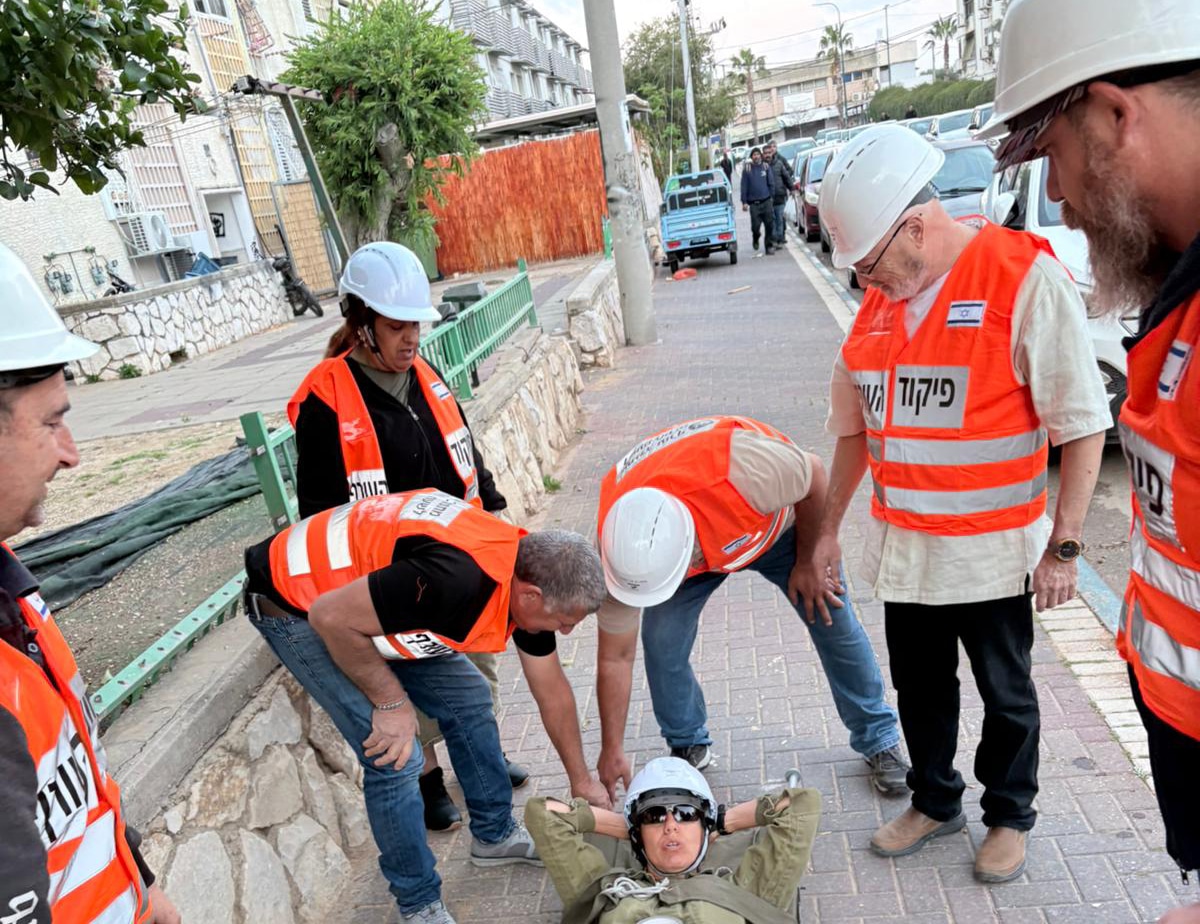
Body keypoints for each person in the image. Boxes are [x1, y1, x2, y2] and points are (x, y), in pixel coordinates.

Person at [812, 124, 1112, 883]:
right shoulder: (880, 307)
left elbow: (1082, 425)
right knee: (919, 688)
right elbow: (856, 433)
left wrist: (1065, 546)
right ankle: (936, 799)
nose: (864, 283)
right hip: (908, 548)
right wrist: (825, 534)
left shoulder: (1021, 279)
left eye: (870, 264)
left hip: (992, 547)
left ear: (915, 224)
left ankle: (1008, 814)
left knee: (1005, 692)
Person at [979, 2, 1200, 917]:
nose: (1058, 197)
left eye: (1054, 156)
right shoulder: (1178, 296)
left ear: (1115, 115)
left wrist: (1064, 545)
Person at [243, 488, 610, 923]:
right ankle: (418, 903)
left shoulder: (527, 575)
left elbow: (552, 689)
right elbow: (331, 617)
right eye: (566, 621)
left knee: (469, 697)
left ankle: (494, 836)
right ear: (530, 597)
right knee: (396, 755)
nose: (566, 632)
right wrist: (391, 702)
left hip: (369, 605)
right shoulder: (453, 581)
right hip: (296, 604)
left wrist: (582, 780)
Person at [289, 240, 521, 832]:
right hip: (388, 575)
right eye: (396, 327)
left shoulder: (426, 375)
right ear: (361, 324)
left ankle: (483, 762)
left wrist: (492, 513)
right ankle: (428, 781)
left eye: (415, 326)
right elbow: (319, 507)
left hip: (456, 557)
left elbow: (466, 454)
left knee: (475, 670)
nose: (411, 339)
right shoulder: (327, 396)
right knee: (414, 681)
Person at [0, 244, 180, 923]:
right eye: (51, 422)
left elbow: (70, 790)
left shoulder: (13, 597)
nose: (72, 453)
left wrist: (139, 879)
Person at [593, 415, 907, 798]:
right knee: (661, 639)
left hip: (781, 527)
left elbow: (814, 475)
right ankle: (686, 740)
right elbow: (615, 658)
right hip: (690, 550)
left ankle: (879, 738)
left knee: (831, 616)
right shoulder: (623, 548)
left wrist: (809, 557)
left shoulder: (745, 471)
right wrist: (612, 749)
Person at [526, 757, 821, 923]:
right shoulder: (604, 891)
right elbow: (544, 814)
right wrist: (628, 826)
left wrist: (720, 821)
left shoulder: (748, 891)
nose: (670, 826)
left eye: (685, 813)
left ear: (704, 825)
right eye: (653, 816)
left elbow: (800, 806)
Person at [739, 147, 776, 256]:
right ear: (751, 157)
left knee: (769, 225)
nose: (756, 156)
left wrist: (771, 197)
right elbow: (743, 186)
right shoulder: (747, 169)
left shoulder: (765, 167)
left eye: (758, 154)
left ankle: (769, 246)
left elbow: (771, 183)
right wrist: (744, 201)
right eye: (754, 155)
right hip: (754, 205)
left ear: (761, 156)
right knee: (755, 227)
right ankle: (756, 238)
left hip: (766, 201)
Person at [764, 141, 797, 248]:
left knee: (779, 219)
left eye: (770, 151)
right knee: (771, 220)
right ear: (763, 154)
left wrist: (791, 188)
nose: (768, 154)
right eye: (766, 153)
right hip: (767, 199)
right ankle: (774, 240)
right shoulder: (760, 166)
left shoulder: (779, 163)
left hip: (780, 196)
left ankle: (779, 239)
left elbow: (787, 176)